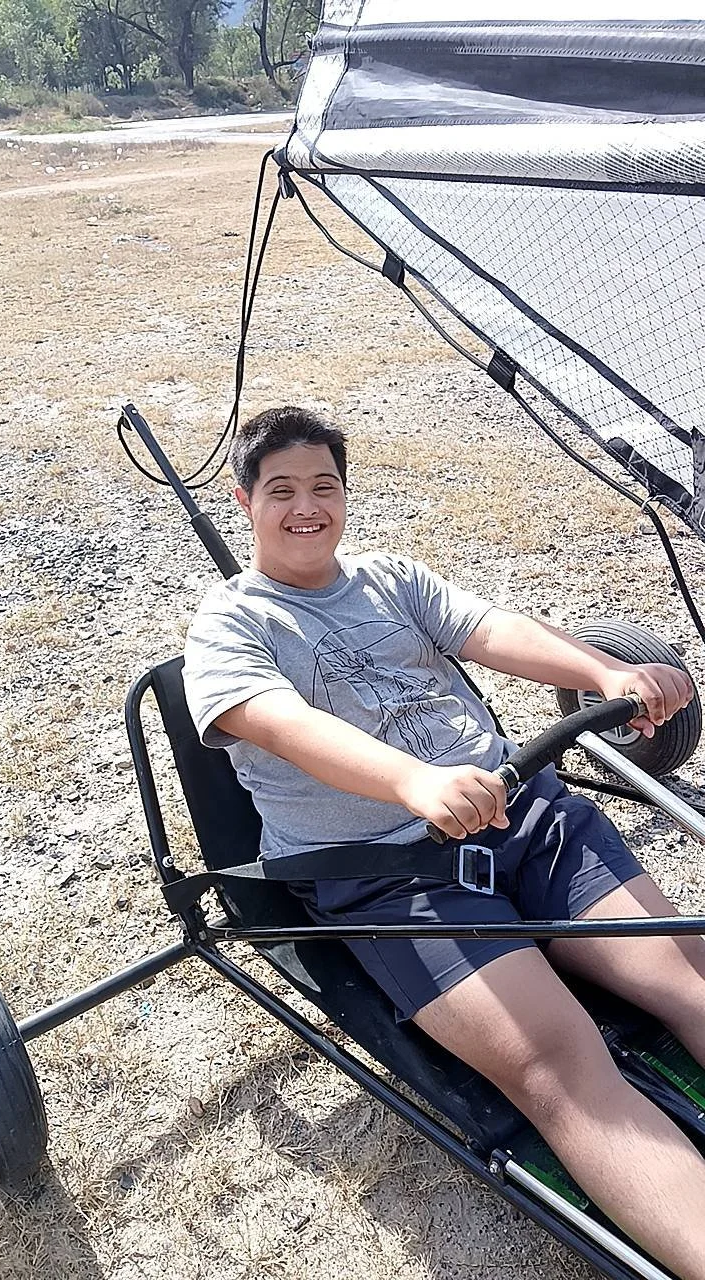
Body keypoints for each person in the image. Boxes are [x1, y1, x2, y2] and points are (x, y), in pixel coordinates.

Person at [184, 406, 705, 1280]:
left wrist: (603, 671)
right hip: (393, 876)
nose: (306, 506)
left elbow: (490, 631)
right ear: (246, 502)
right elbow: (278, 724)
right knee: (563, 1068)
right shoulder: (229, 626)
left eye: (324, 487)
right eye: (282, 491)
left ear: (345, 496)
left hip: (520, 815)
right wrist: (412, 781)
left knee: (687, 978)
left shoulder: (390, 578)